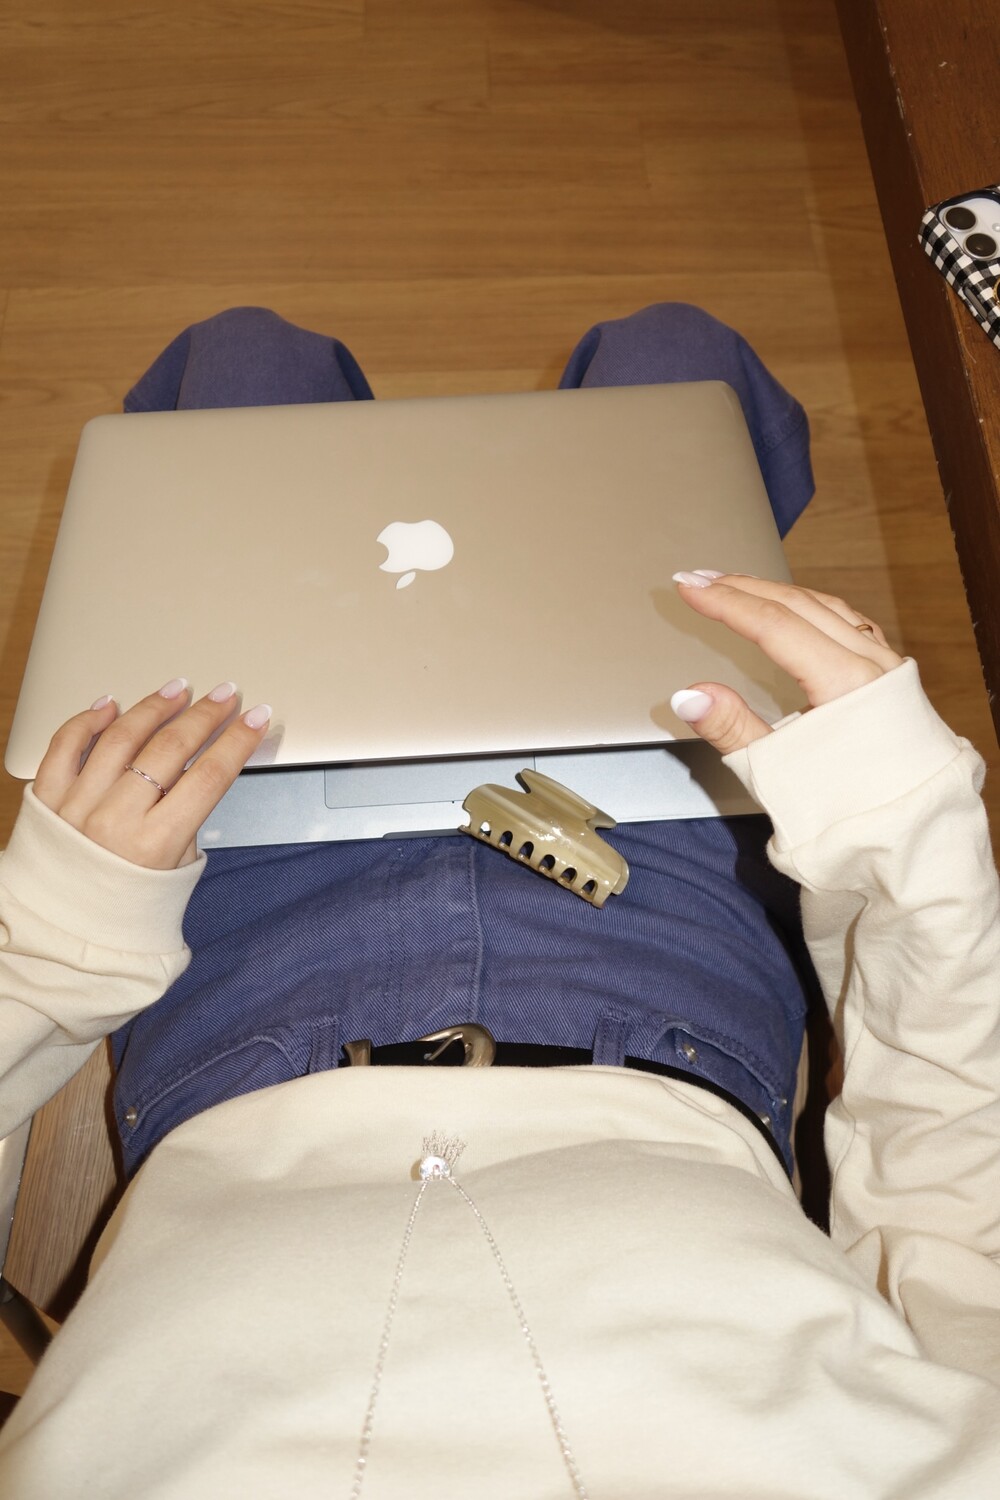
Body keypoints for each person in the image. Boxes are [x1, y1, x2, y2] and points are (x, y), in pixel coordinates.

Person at [0, 309, 997, 1498]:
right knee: (673, 362)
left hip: (243, 1017)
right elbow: (951, 1209)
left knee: (243, 362)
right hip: (666, 995)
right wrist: (906, 842)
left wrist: (51, 941)